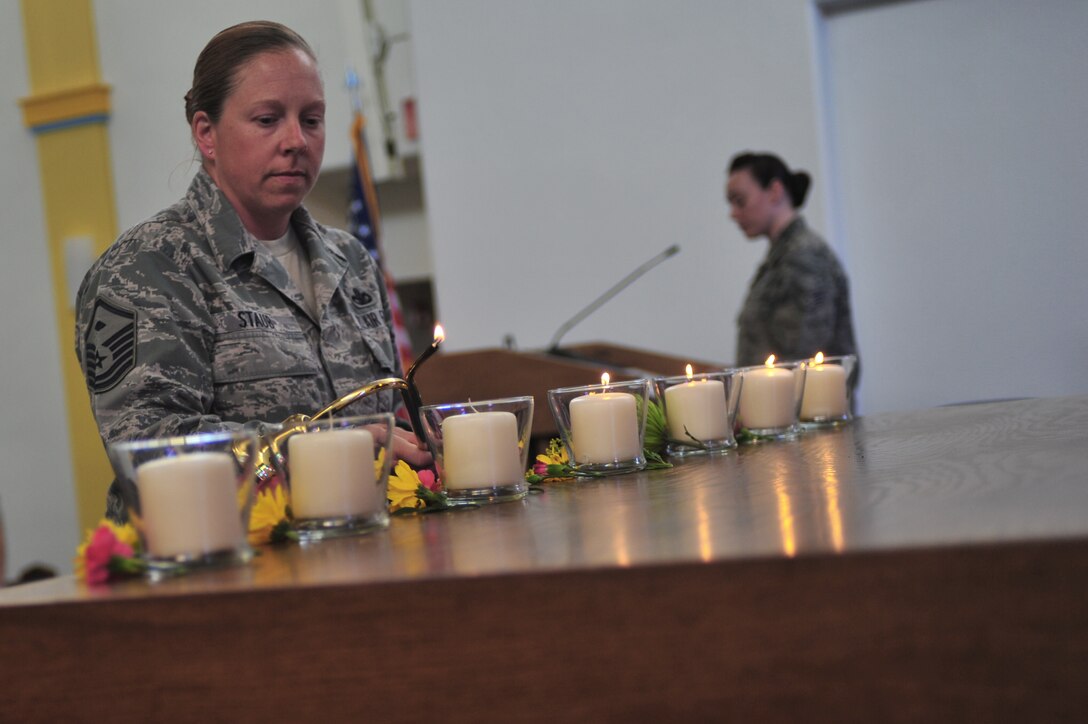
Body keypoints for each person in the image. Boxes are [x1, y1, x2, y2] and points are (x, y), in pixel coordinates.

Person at [76, 21, 430, 522]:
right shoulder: (148, 267)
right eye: (267, 120)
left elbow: (386, 420)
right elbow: (149, 450)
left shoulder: (351, 262)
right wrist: (322, 448)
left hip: (359, 551)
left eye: (312, 119)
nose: (296, 141)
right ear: (207, 133)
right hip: (213, 569)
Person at [725, 151, 859, 373]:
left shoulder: (805, 255)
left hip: (806, 407)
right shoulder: (784, 255)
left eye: (740, 201)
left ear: (775, 191)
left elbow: (802, 358)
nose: (733, 213)